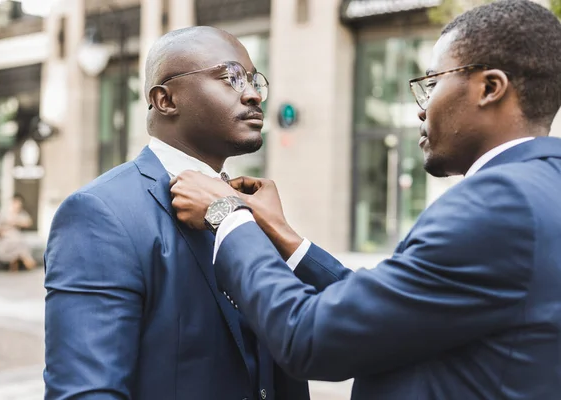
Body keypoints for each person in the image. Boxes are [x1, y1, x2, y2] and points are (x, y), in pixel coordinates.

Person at [169, 1, 561, 398]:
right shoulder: (545, 189)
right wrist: (286, 238)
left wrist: (229, 216)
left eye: (432, 83)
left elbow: (311, 339)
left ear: (490, 88)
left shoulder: (499, 204)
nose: (422, 110)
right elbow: (391, 311)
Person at [44, 26, 309, 400]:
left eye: (253, 80)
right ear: (165, 99)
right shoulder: (100, 214)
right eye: (230, 78)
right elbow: (86, 392)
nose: (252, 94)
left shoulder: (255, 209)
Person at [0, 193, 36, 271]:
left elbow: (28, 222)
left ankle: (18, 260)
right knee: (16, 241)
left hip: (16, 234)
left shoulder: (21, 213)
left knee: (19, 240)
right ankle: (26, 259)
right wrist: (1, 231)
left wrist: (17, 222)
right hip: (6, 235)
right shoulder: (3, 213)